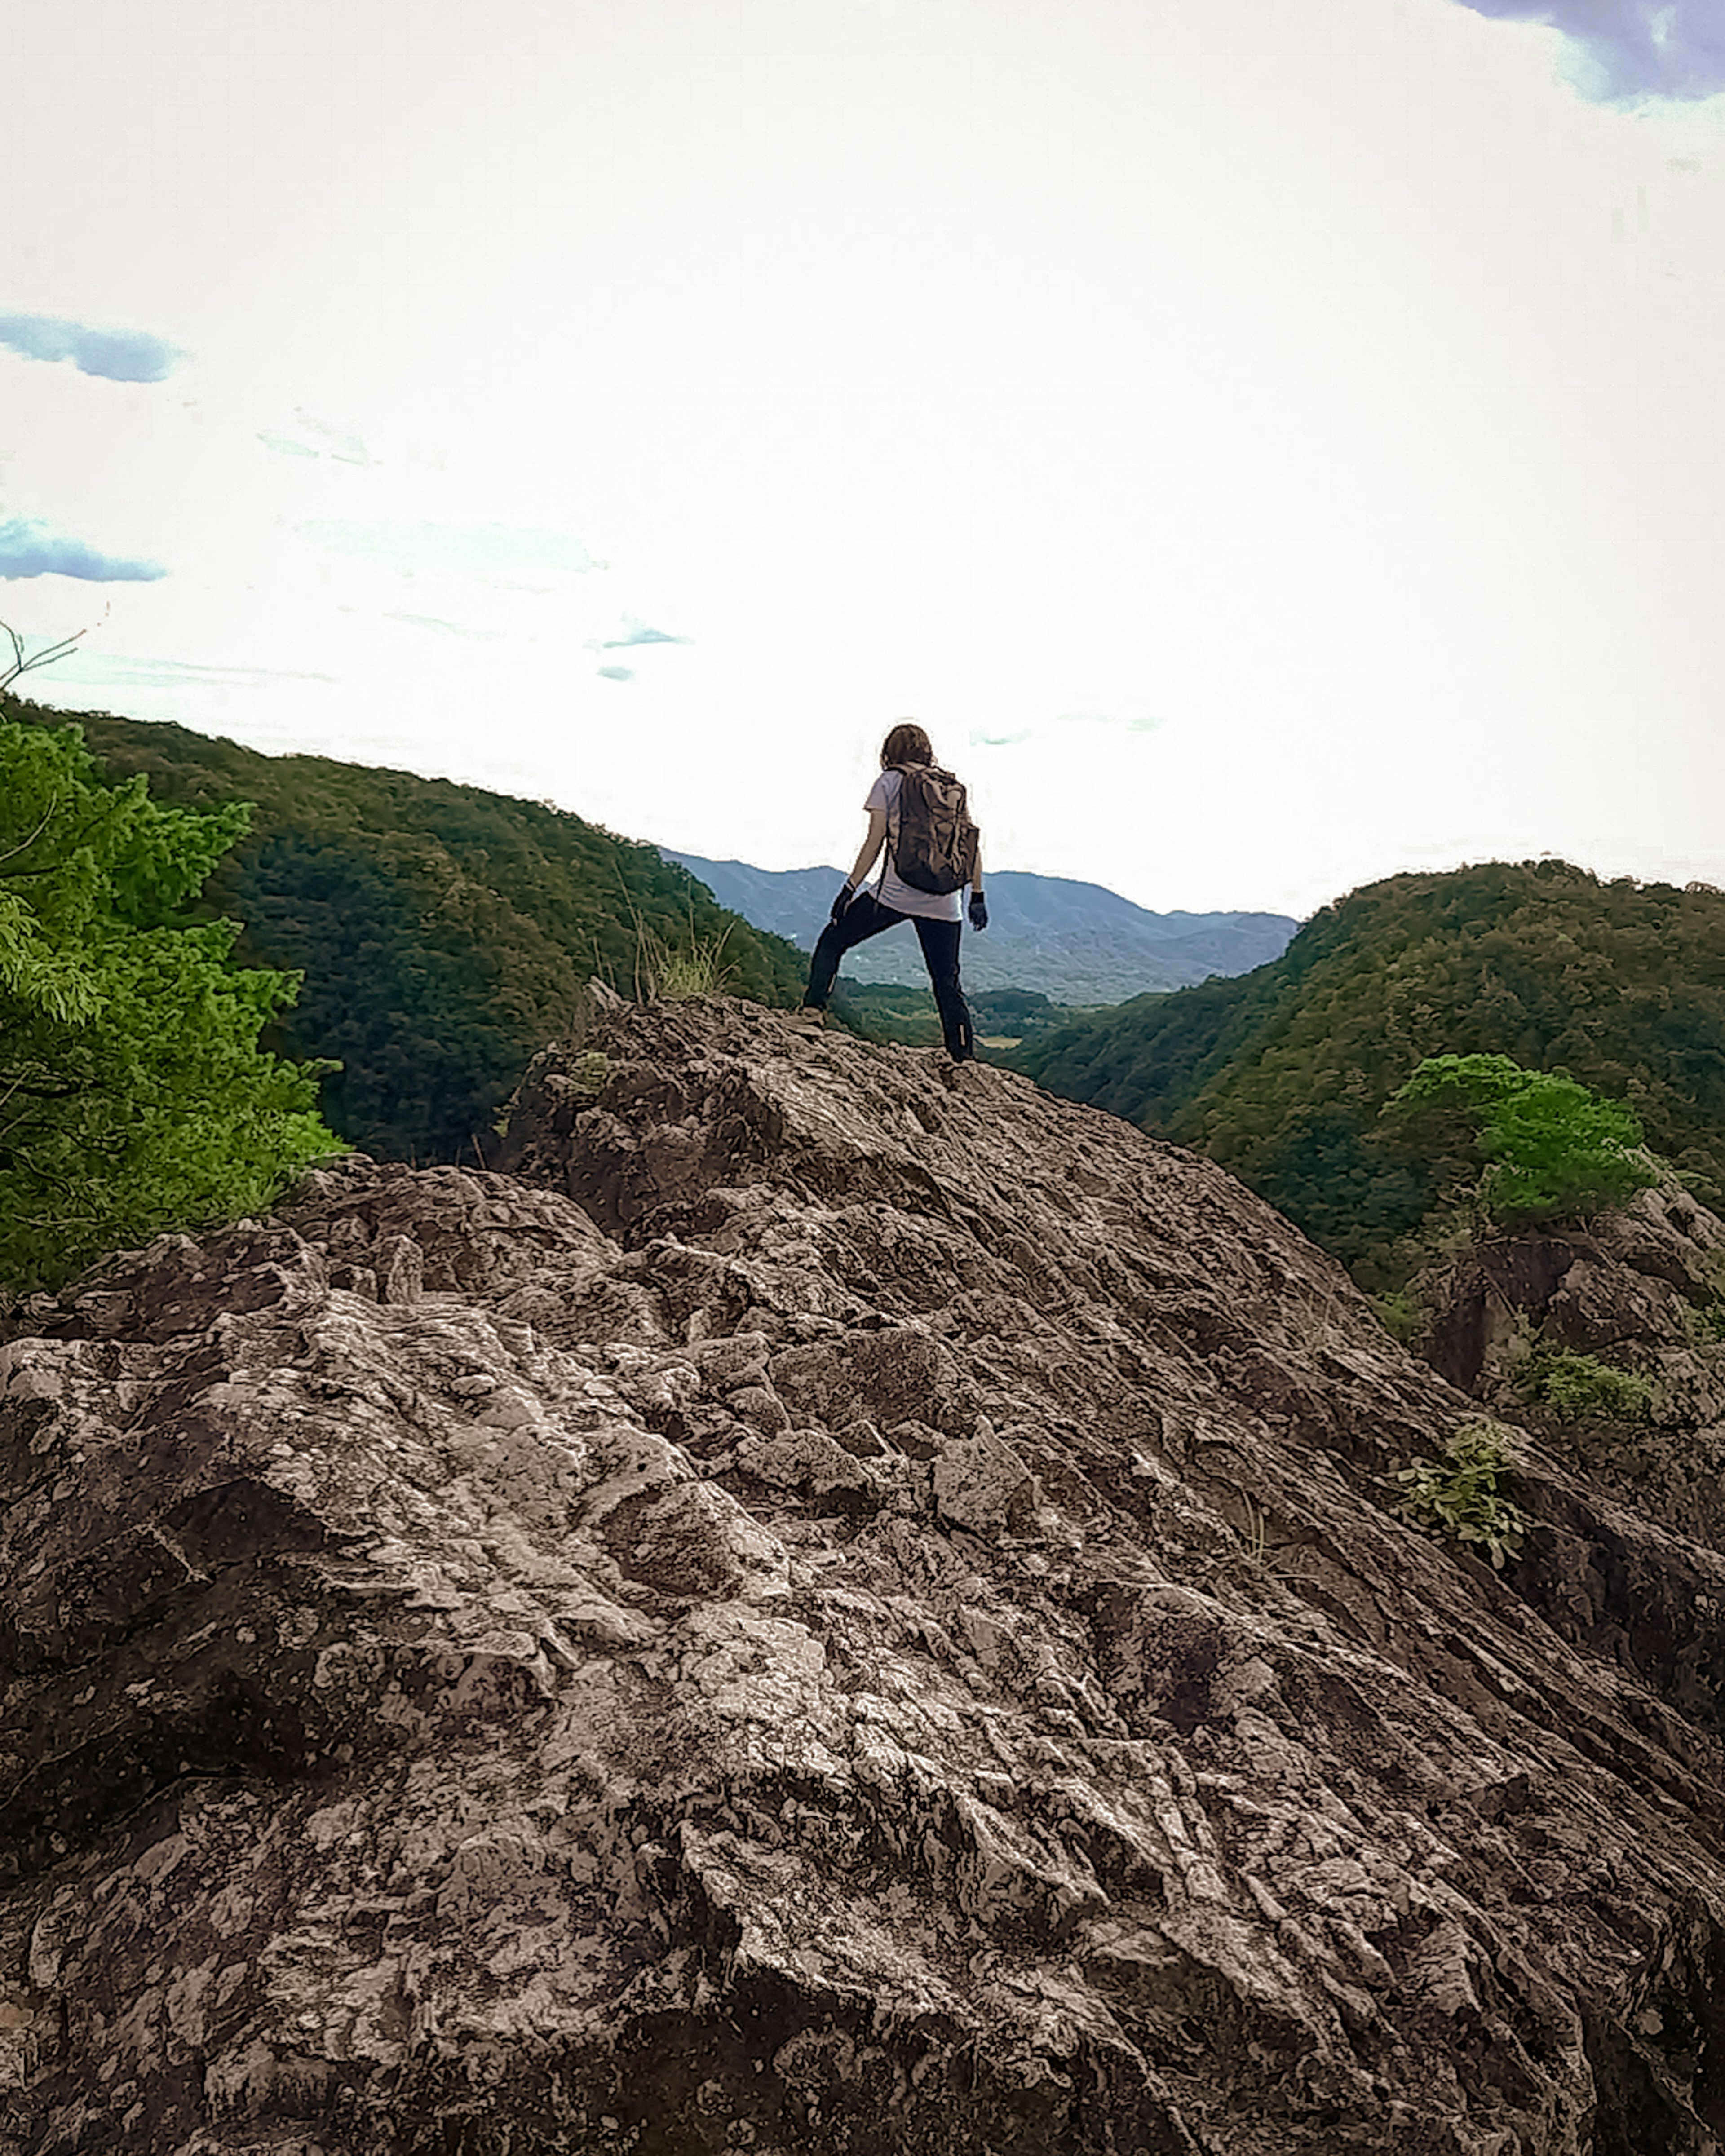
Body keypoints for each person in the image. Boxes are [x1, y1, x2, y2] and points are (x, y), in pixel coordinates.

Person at [799, 721, 986, 1062]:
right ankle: (964, 1059)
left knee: (834, 940)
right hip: (946, 901)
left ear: (890, 752)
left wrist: (849, 888)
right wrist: (977, 895)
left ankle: (812, 1013)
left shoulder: (889, 782)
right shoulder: (951, 789)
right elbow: (970, 843)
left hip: (895, 894)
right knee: (947, 981)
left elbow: (875, 841)